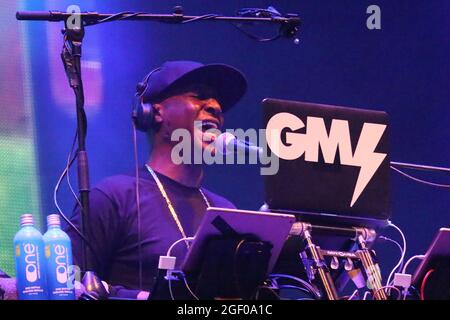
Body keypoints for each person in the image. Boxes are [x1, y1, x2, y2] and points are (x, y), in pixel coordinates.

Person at [65, 60, 247, 299]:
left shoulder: (226, 211)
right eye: (199, 95)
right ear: (156, 112)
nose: (215, 106)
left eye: (217, 101)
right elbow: (67, 282)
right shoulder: (114, 197)